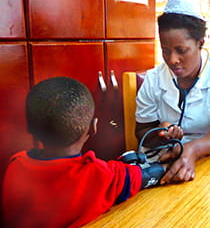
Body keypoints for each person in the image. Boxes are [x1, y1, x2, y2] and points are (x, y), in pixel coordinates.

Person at [2, 76, 166, 228]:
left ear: (31, 129)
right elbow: (146, 176)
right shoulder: (98, 174)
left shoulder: (16, 165)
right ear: (94, 127)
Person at [135, 0, 210, 185]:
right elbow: (142, 131)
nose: (172, 59)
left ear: (200, 43)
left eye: (181, 50)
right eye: (165, 50)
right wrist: (162, 134)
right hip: (161, 165)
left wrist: (193, 149)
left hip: (209, 161)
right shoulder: (153, 79)